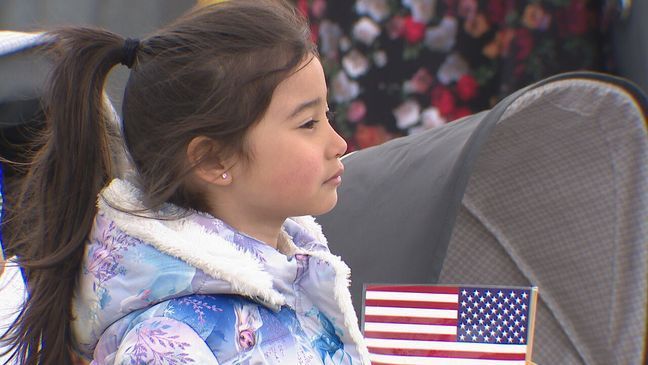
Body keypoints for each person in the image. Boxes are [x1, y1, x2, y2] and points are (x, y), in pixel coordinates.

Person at [0, 1, 370, 364]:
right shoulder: (164, 343)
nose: (338, 144)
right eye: (308, 123)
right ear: (213, 159)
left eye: (328, 114)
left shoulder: (298, 282)